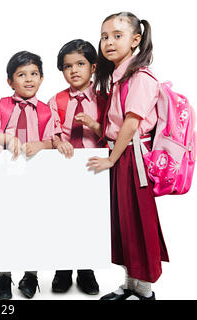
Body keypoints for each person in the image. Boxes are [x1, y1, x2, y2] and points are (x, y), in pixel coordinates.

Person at [87, 12, 169, 300]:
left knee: (138, 220)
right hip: (123, 156)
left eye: (117, 35)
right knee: (124, 222)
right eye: (105, 36)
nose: (108, 42)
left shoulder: (141, 78)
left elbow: (132, 124)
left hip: (133, 160)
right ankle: (130, 285)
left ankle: (145, 290)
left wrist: (111, 159)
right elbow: (117, 124)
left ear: (136, 40)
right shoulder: (119, 78)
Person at [0, 51, 56, 299]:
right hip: (5, 175)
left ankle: (31, 274)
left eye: (34, 74)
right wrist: (1, 139)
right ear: (10, 81)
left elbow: (53, 142)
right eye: (21, 75)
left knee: (34, 225)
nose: (28, 79)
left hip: (36, 177)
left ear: (42, 79)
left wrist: (42, 146)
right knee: (5, 224)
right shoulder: (0, 106)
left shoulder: (46, 111)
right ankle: (3, 275)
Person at [48, 39, 105, 295]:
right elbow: (50, 131)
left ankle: (86, 270)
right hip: (64, 169)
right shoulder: (57, 100)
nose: (74, 70)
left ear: (93, 67)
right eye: (67, 66)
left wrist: (94, 125)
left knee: (90, 220)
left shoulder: (104, 98)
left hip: (95, 168)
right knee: (63, 218)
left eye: (80, 64)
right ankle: (62, 270)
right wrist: (58, 140)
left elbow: (114, 131)